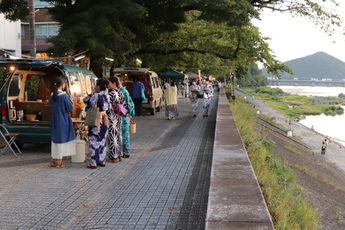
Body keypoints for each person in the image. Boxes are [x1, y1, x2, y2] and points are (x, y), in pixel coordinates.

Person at [49, 77, 76, 168]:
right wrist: (71, 101)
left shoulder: (52, 95)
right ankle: (59, 162)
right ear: (62, 85)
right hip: (63, 120)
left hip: (54, 120)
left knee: (55, 140)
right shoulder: (64, 96)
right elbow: (69, 108)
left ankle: (53, 160)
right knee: (61, 140)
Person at [83, 79, 110, 169]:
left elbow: (86, 101)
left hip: (96, 120)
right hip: (104, 120)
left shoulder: (95, 96)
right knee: (102, 141)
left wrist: (92, 93)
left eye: (95, 85)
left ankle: (94, 162)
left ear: (98, 86)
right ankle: (102, 160)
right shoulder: (107, 96)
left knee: (94, 141)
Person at [107, 77, 125, 163]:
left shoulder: (110, 94)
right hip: (119, 117)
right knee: (119, 136)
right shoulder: (121, 92)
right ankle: (120, 155)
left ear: (114, 83)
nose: (108, 85)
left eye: (109, 83)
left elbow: (107, 106)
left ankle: (114, 157)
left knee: (112, 137)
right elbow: (124, 104)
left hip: (112, 117)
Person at [118, 75, 135, 158]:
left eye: (117, 80)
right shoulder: (119, 91)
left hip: (124, 115)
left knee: (125, 133)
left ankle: (127, 151)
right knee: (122, 133)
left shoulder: (124, 92)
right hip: (121, 115)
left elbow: (129, 103)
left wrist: (130, 113)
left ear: (121, 81)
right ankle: (123, 150)